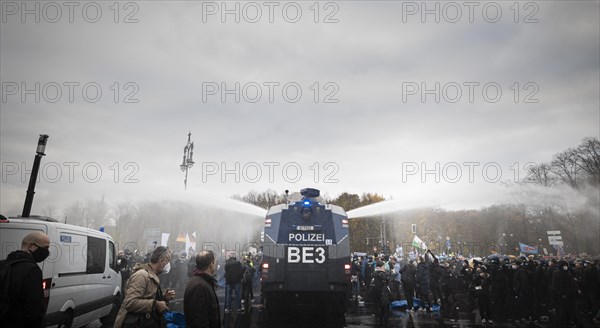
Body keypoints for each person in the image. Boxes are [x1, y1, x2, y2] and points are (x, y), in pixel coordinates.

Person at [114, 246, 176, 328]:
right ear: (161, 261)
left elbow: (147, 297)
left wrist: (164, 298)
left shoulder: (152, 276)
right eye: (168, 261)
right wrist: (156, 304)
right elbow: (130, 303)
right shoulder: (142, 275)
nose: (169, 264)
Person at [4, 231, 50, 328]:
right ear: (30, 246)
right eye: (45, 247)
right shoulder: (32, 270)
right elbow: (35, 310)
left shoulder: (4, 265)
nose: (47, 252)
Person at [184, 251, 221, 328]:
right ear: (211, 264)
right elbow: (199, 320)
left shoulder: (201, 281)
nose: (216, 264)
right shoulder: (199, 286)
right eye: (215, 262)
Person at [372, 260, 391, 327]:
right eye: (383, 266)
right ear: (381, 266)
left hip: (376, 294)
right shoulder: (382, 274)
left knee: (380, 310)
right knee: (385, 310)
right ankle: (385, 324)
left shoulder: (374, 273)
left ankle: (380, 323)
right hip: (383, 294)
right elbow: (389, 278)